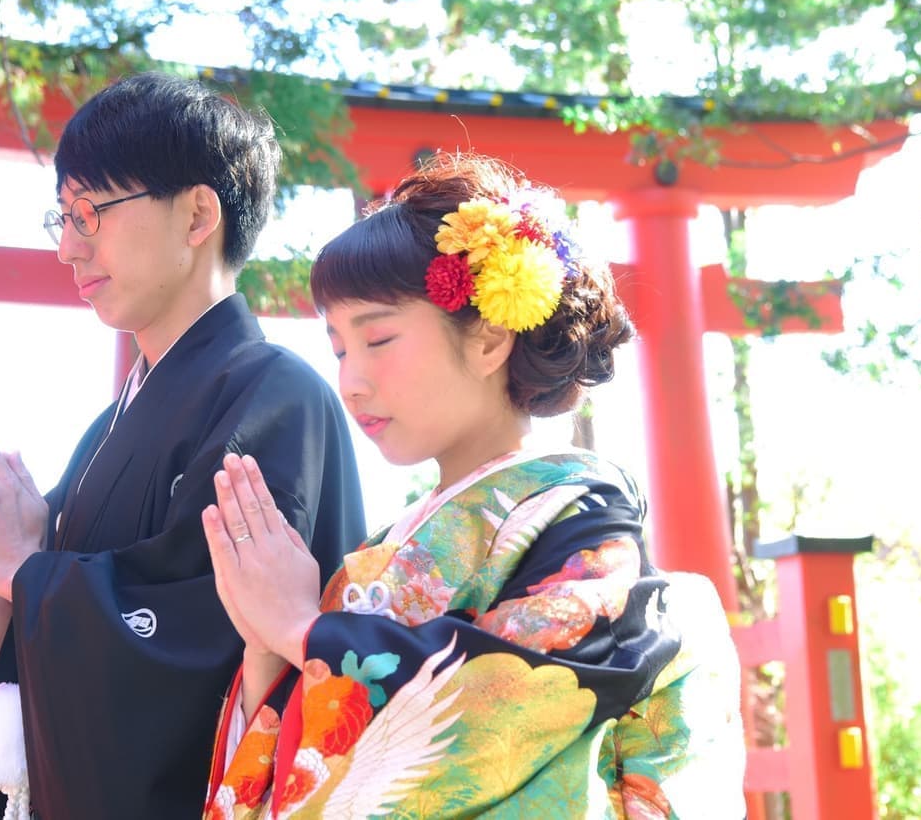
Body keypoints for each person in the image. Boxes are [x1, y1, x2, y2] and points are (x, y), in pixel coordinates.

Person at [200, 153, 746, 819]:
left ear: (489, 340)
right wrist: (268, 649)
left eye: (379, 340)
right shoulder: (382, 548)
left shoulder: (580, 515)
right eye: (340, 349)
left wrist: (302, 631)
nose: (351, 381)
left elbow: (517, 697)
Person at [0, 72, 367, 819]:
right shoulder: (105, 428)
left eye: (89, 213)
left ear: (196, 215)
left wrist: (23, 568)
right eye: (59, 216)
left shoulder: (278, 397)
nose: (66, 247)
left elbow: (210, 651)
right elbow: (37, 642)